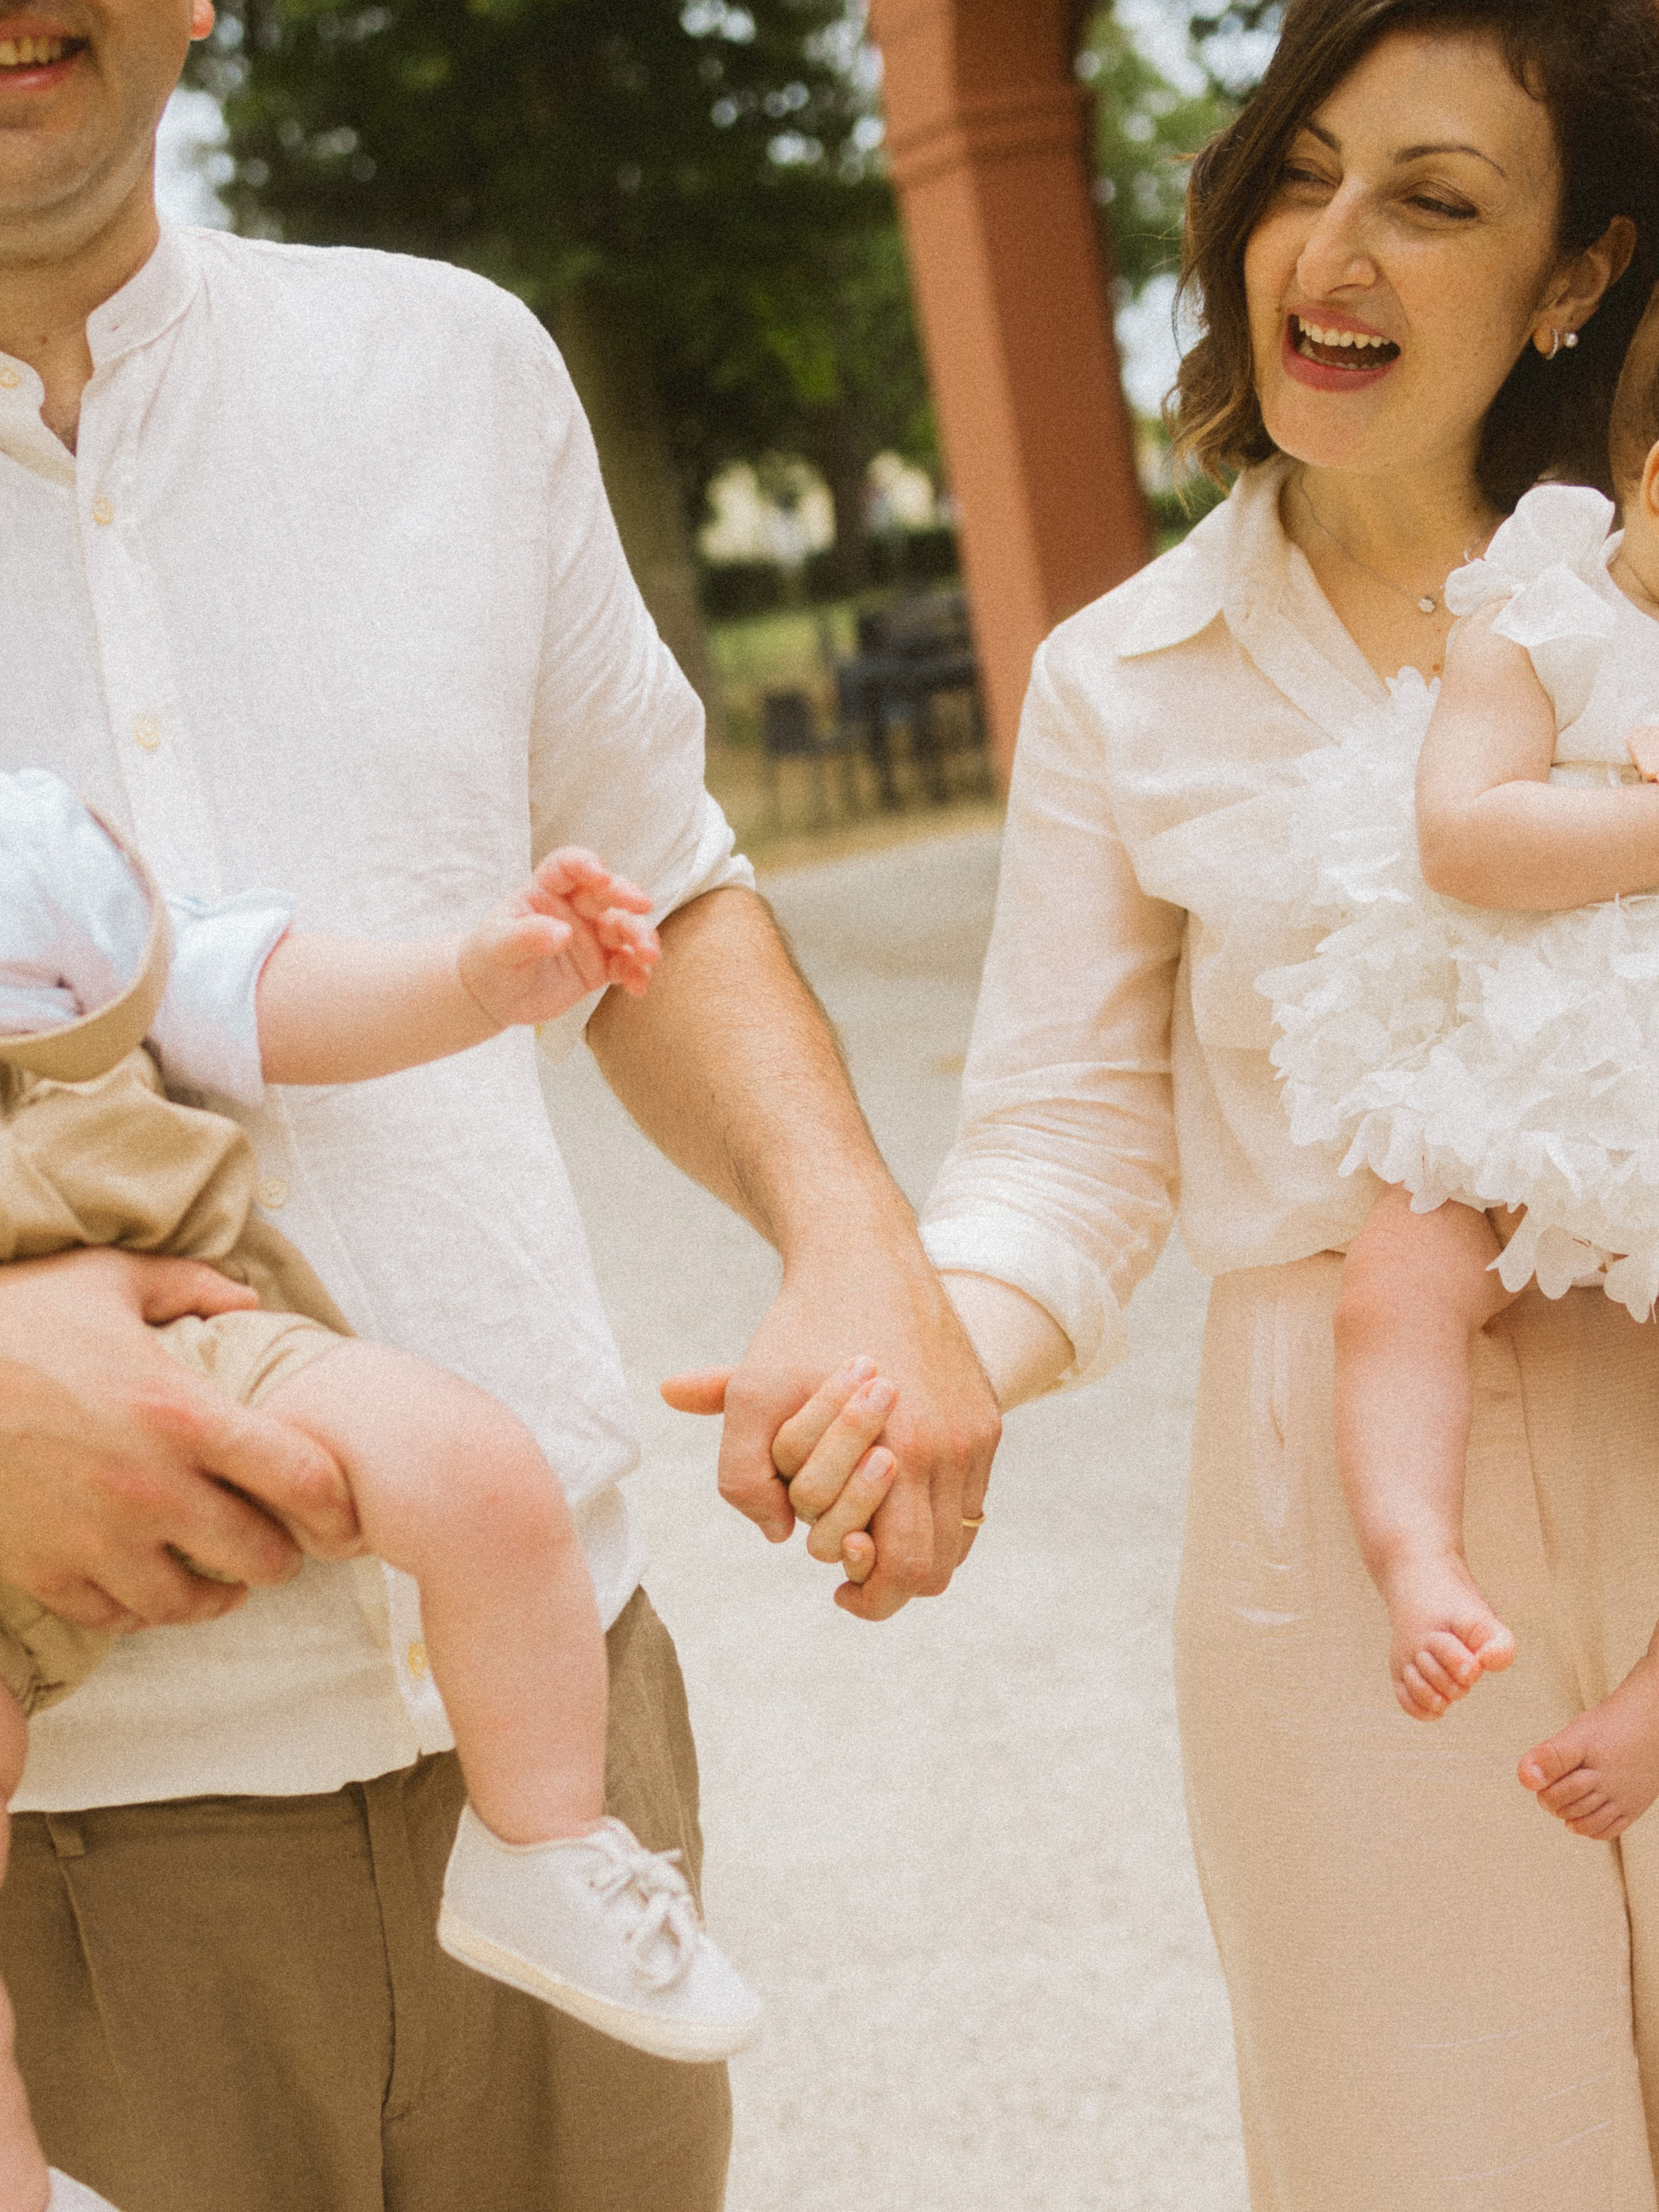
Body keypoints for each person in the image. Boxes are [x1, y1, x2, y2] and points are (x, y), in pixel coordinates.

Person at [0, 0, 1000, 2199]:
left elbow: (662, 882)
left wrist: (856, 1239)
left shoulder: (449, 372)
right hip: (59, 1826)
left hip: (558, 1741)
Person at [799, 3, 1659, 2204]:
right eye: (1301, 170)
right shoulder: (1123, 677)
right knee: (1439, 2154)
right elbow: (1072, 1145)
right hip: (1342, 1505)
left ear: (1578, 276)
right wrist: (923, 1363)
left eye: (1434, 198)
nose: (1330, 247)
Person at [0, 774, 768, 2212]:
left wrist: (478, 977)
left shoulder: (34, 853)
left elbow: (255, 987)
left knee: (476, 1472)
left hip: (196, 1333)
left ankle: (543, 1847)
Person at [1251, 283, 1659, 1819]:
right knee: (1398, 1279)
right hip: (1528, 1074)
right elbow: (1463, 834)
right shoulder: (1541, 623)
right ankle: (1416, 1558)